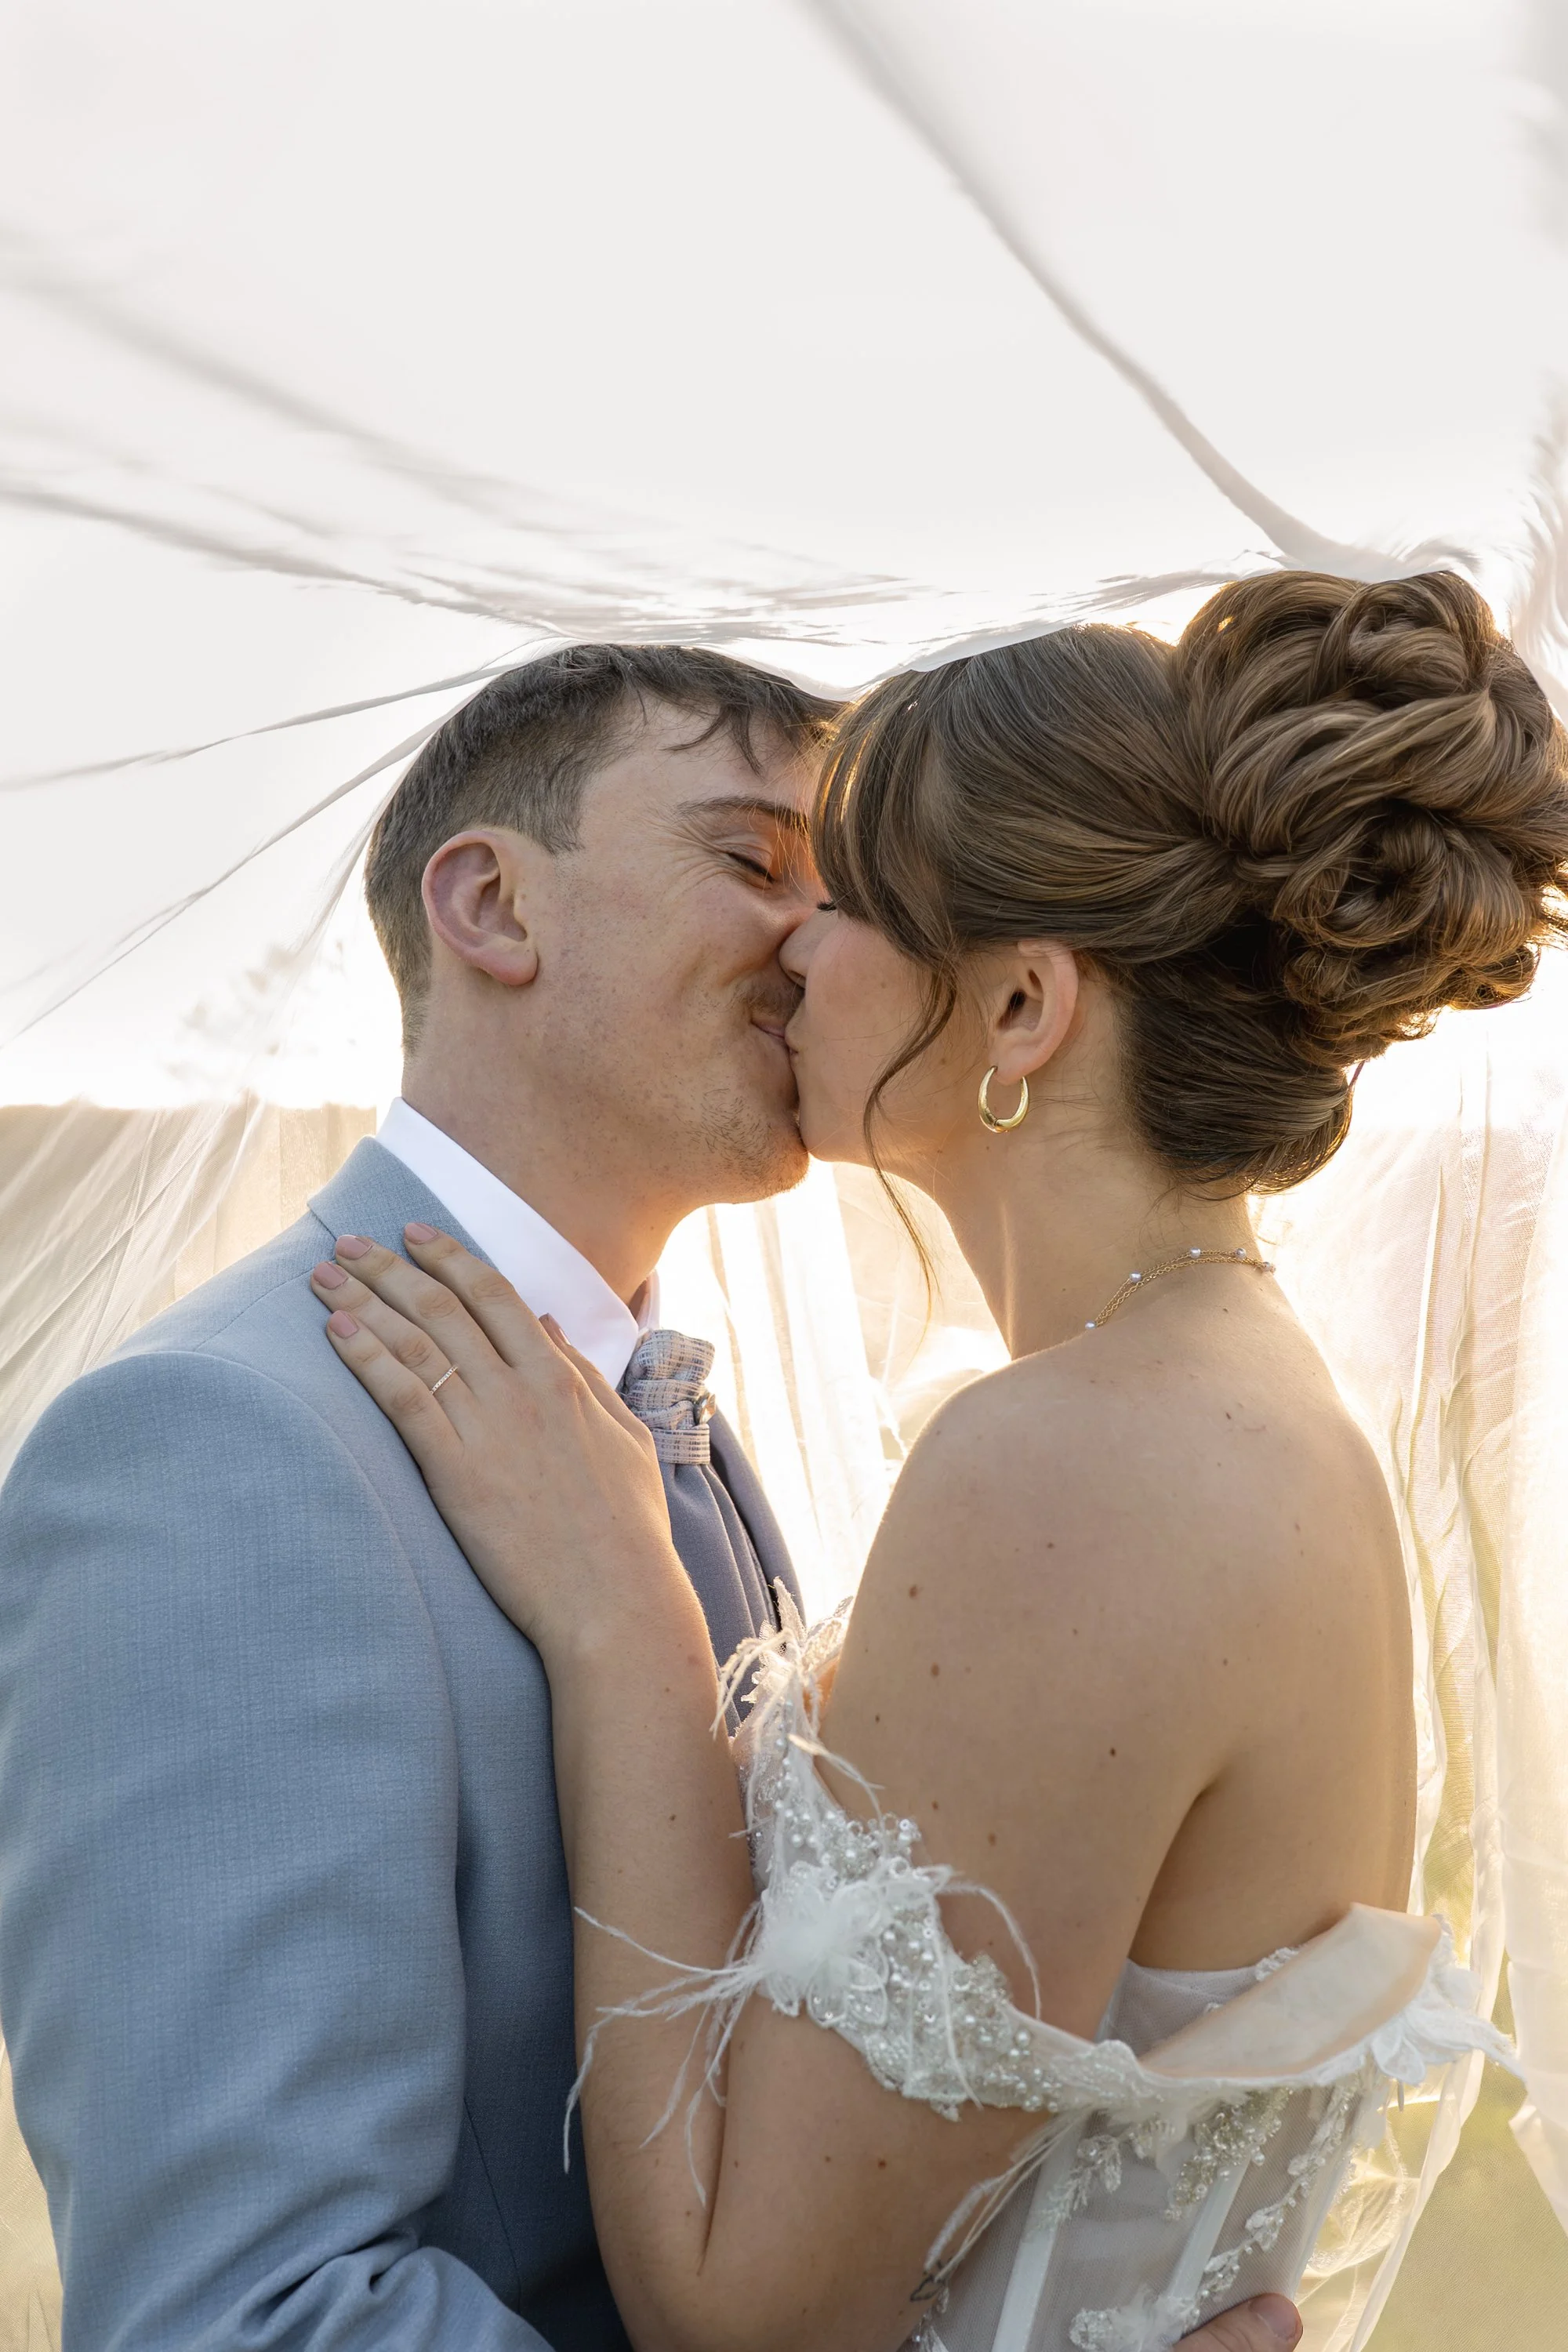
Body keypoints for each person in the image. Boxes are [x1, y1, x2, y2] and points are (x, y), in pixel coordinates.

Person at [314, 572, 1559, 2352]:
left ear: (1022, 1007)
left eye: (842, 899)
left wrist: (619, 1615)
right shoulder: (1243, 1402)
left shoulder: (1076, 1464)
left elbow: (745, 2315)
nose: (791, 951)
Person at [0, 640, 1294, 2352]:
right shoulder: (221, 1452)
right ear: (493, 907)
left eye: (847, 889)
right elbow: (239, 2314)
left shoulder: (661, 1420)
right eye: (757, 861)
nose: (823, 944)